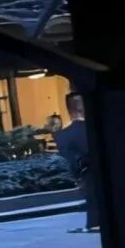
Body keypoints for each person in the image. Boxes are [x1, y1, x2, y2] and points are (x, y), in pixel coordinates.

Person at [53, 93, 100, 233]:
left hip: (87, 178)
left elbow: (71, 162)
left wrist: (78, 178)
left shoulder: (62, 136)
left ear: (68, 109)